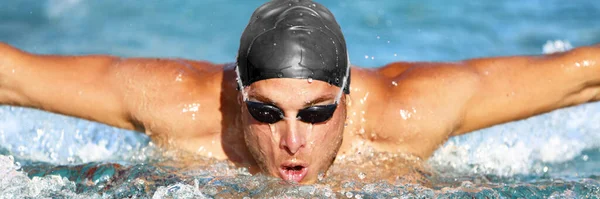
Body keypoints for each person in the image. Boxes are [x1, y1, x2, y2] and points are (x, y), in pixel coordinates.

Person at [0, 0, 598, 184]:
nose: (292, 141)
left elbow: (580, 77)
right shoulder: (183, 108)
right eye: (266, 112)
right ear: (237, 96)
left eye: (316, 113)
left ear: (347, 99)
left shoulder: (407, 112)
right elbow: (15, 75)